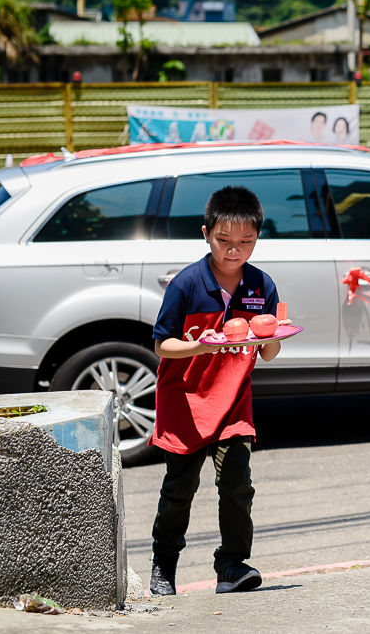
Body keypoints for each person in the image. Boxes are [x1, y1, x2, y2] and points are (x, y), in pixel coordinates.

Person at [148, 186, 287, 596]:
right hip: (185, 403)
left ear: (257, 238)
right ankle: (164, 564)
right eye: (224, 241)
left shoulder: (262, 285)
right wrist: (201, 345)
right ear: (206, 233)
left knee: (237, 485)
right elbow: (162, 345)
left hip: (233, 404)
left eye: (245, 242)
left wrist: (274, 332)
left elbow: (269, 354)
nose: (234, 251)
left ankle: (231, 565)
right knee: (178, 491)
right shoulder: (187, 284)